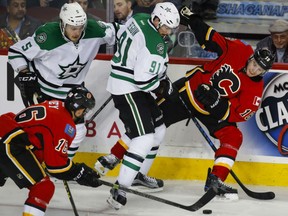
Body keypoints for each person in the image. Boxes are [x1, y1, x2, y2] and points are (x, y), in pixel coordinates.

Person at [95, 6, 275, 200]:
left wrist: (217, 104)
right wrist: (192, 20)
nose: (255, 70)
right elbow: (211, 38)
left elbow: (238, 113)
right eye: (255, 64)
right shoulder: (240, 49)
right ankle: (115, 156)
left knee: (233, 137)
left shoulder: (256, 91)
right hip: (186, 93)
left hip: (213, 112)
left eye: (260, 70)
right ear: (251, 57)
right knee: (150, 123)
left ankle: (216, 179)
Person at [8, 2, 118, 159]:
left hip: (72, 92)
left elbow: (119, 32)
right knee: (42, 133)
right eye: (73, 27)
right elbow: (15, 52)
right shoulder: (46, 35)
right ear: (63, 24)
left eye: (81, 27)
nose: (77, 32)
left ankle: (62, 166)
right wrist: (25, 73)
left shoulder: (94, 29)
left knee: (78, 130)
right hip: (45, 92)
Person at [100, 2, 180, 210]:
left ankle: (135, 175)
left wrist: (160, 78)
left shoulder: (141, 17)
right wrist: (162, 87)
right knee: (144, 137)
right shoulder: (155, 45)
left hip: (129, 81)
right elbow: (144, 81)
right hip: (129, 88)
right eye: (166, 27)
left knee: (159, 129)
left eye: (171, 28)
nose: (168, 32)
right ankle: (121, 188)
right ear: (157, 20)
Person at [0, 86, 102, 216]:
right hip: (11, 143)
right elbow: (55, 167)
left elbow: (40, 138)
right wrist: (79, 173)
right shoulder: (65, 124)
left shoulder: (56, 104)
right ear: (78, 109)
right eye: (84, 110)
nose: (84, 114)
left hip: (5, 132)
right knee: (43, 187)